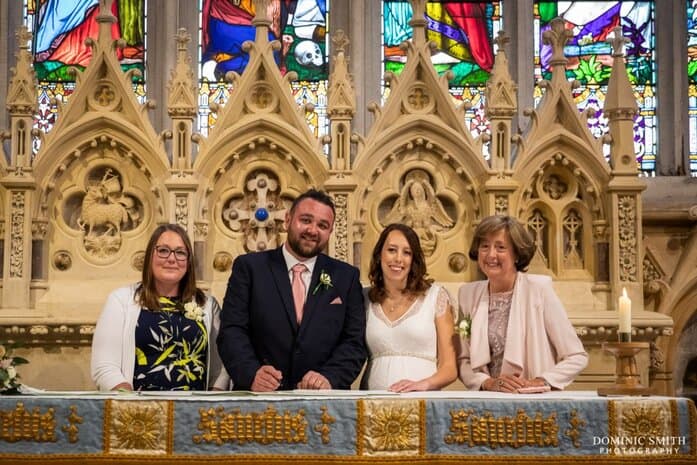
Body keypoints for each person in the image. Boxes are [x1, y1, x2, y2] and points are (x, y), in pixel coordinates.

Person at [218, 189, 366, 391]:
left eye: (323, 225)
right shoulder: (250, 268)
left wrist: (329, 378)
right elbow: (232, 330)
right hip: (260, 400)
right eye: (306, 220)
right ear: (288, 220)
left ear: (330, 232)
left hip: (323, 405)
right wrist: (251, 373)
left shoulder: (346, 277)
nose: (313, 230)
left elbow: (354, 342)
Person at [91, 224, 230, 391]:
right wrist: (129, 403)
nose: (172, 259)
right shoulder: (121, 300)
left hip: (195, 411)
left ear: (188, 261)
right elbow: (105, 366)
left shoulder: (208, 304)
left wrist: (213, 404)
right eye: (163, 250)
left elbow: (222, 366)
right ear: (150, 255)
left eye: (180, 252)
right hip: (139, 411)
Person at [457, 215, 588, 392]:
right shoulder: (467, 294)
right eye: (484, 246)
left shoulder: (538, 289)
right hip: (487, 400)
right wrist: (487, 383)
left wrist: (542, 381)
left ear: (517, 254)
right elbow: (463, 360)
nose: (490, 255)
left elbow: (576, 356)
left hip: (532, 401)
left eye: (500, 247)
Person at [361, 223, 457, 392]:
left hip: (423, 401)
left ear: (413, 260)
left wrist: (423, 384)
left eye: (407, 253)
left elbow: (449, 368)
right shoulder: (364, 298)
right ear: (379, 255)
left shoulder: (435, 296)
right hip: (373, 403)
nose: (398, 258)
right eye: (391, 250)